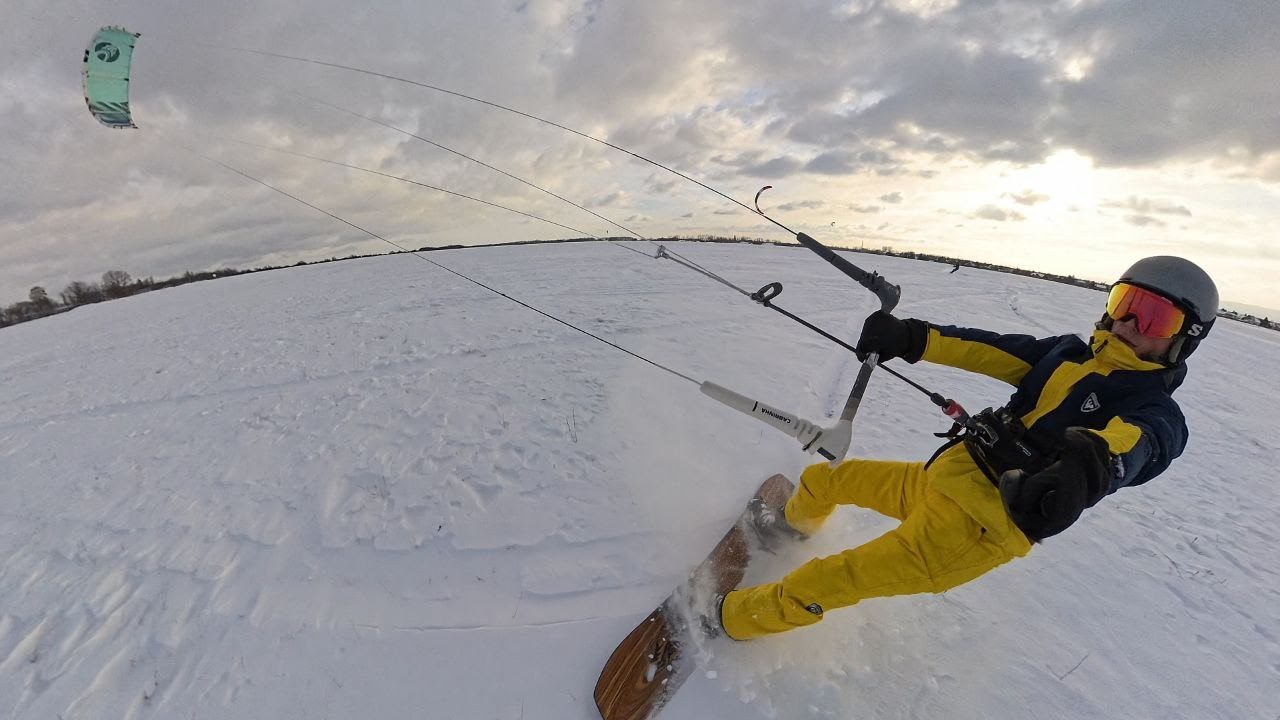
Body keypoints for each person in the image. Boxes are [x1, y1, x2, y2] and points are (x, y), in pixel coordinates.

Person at [713, 256, 1218, 640]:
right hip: (940, 481)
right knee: (825, 481)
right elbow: (987, 348)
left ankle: (726, 620)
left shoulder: (1152, 409)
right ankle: (789, 530)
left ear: (1184, 338)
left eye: (1154, 317)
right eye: (1124, 302)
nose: (1129, 322)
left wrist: (1091, 468)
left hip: (975, 531)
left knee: (829, 578)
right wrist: (912, 337)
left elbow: (1139, 445)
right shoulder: (1067, 354)